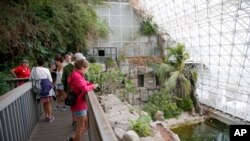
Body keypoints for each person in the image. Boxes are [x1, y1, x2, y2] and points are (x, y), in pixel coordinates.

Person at [67, 59, 97, 141]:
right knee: (80, 126)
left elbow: (84, 84)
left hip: (81, 103)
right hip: (79, 104)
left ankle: (73, 139)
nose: (87, 70)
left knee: (86, 125)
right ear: (82, 68)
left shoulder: (79, 74)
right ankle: (75, 139)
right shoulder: (76, 75)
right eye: (87, 69)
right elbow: (84, 88)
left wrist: (90, 84)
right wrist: (92, 87)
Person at [62, 53, 86, 128]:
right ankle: (78, 124)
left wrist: (66, 91)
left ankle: (74, 121)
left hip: (70, 91)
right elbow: (85, 80)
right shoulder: (81, 68)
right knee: (79, 107)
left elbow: (63, 80)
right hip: (79, 92)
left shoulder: (66, 67)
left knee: (73, 104)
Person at [30, 57, 55, 122]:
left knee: (44, 102)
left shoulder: (33, 69)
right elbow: (51, 80)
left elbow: (31, 78)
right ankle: (49, 117)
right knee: (48, 102)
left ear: (37, 62)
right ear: (43, 63)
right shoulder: (46, 69)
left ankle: (46, 116)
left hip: (39, 88)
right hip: (47, 88)